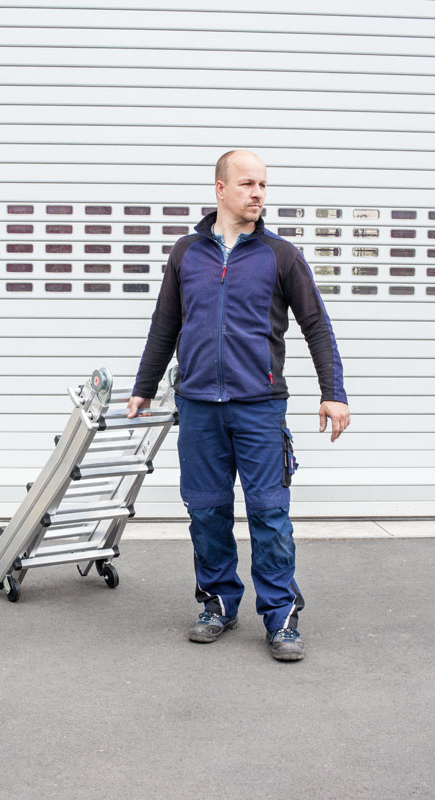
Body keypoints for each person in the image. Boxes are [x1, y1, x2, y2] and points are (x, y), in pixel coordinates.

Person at [127, 150, 350, 661]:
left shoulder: (280, 255)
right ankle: (218, 604)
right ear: (220, 189)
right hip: (199, 407)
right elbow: (165, 324)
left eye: (263, 185)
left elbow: (317, 326)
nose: (258, 193)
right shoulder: (186, 253)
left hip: (259, 408)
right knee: (206, 512)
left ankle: (281, 618)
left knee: (270, 515)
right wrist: (144, 386)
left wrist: (333, 392)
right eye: (248, 183)